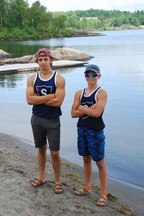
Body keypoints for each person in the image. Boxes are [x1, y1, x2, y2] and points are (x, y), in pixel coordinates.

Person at [26, 48, 66, 194]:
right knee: (41, 149)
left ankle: (57, 181)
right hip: (37, 119)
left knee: (54, 152)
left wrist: (39, 99)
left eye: (45, 59)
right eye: (40, 60)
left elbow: (58, 102)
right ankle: (41, 177)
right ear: (38, 62)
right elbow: (30, 100)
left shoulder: (59, 79)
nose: (43, 63)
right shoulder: (32, 79)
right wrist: (49, 97)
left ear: (51, 60)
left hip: (53, 120)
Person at [71, 64, 108, 207]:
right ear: (85, 76)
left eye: (94, 75)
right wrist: (88, 108)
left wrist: (80, 107)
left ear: (99, 76)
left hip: (96, 131)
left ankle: (103, 194)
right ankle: (87, 187)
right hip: (82, 129)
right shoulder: (79, 93)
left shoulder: (101, 93)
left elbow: (97, 113)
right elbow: (73, 114)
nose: (90, 77)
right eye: (88, 75)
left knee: (99, 162)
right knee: (86, 158)